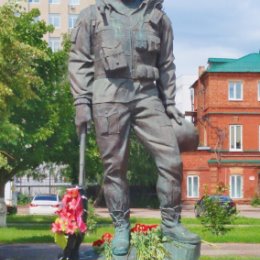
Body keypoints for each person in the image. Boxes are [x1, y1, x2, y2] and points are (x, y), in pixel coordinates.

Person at [69, 0, 200, 256]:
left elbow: (166, 64)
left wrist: (170, 101)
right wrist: (81, 101)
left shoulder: (158, 18)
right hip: (107, 94)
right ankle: (120, 227)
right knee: (114, 167)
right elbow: (79, 60)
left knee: (171, 159)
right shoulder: (93, 16)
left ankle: (171, 223)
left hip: (147, 95)